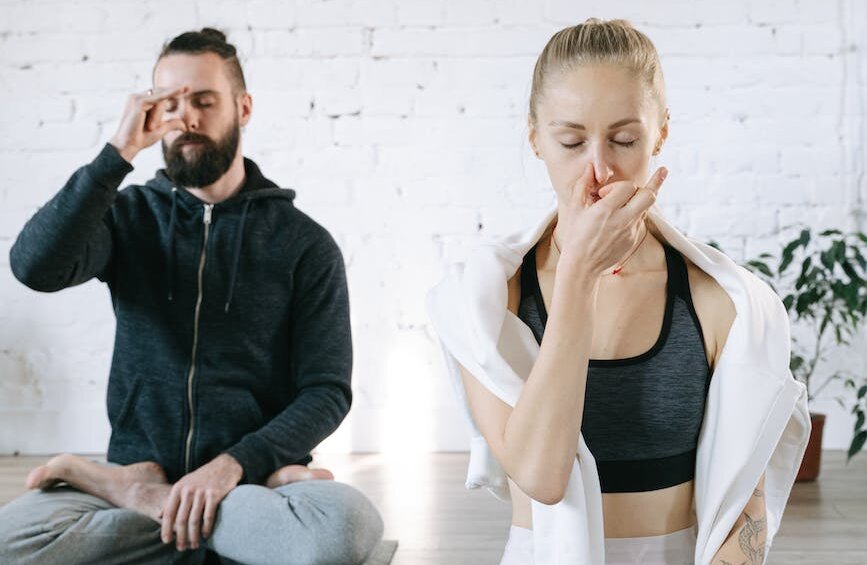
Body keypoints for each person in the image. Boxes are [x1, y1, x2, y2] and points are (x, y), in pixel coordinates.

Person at [427, 18, 810, 565]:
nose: (600, 168)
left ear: (661, 133)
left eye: (625, 139)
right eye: (571, 141)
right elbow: (539, 476)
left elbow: (743, 502)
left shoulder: (728, 304)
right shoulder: (486, 297)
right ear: (535, 137)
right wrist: (579, 274)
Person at [0, 28, 383, 565]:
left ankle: (153, 504)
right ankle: (191, 517)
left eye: (205, 101)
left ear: (243, 108)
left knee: (342, 531)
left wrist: (234, 466)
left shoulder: (304, 244)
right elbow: (33, 267)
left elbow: (326, 391)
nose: (187, 120)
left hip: (250, 475)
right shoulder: (128, 218)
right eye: (170, 104)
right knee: (10, 537)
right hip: (177, 478)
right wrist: (118, 152)